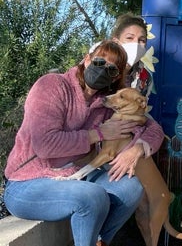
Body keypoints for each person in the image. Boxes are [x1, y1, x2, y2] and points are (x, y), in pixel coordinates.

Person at [3, 40, 165, 246]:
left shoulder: (106, 102)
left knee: (132, 188)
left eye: (112, 69)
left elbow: (154, 129)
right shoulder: (52, 85)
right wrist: (97, 134)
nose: (102, 70)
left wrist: (138, 149)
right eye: (98, 61)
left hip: (74, 178)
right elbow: (44, 144)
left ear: (116, 76)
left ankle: (98, 241)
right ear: (86, 59)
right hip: (27, 183)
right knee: (92, 196)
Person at [110, 13, 153, 97]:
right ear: (116, 42)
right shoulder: (99, 67)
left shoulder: (145, 77)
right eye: (129, 38)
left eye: (142, 40)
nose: (136, 43)